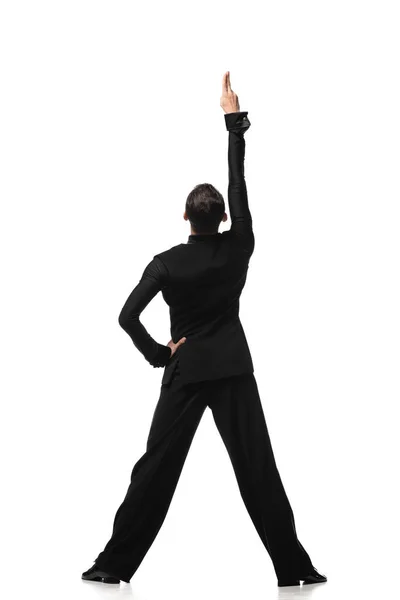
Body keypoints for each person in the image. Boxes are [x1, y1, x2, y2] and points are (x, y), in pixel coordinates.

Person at [82, 71, 327, 588]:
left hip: (187, 368)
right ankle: (296, 569)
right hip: (233, 367)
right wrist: (232, 122)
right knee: (257, 468)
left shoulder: (166, 263)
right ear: (222, 219)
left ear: (185, 217)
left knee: (155, 469)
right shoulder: (240, 247)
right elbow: (239, 187)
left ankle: (111, 566)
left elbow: (126, 316)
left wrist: (159, 354)